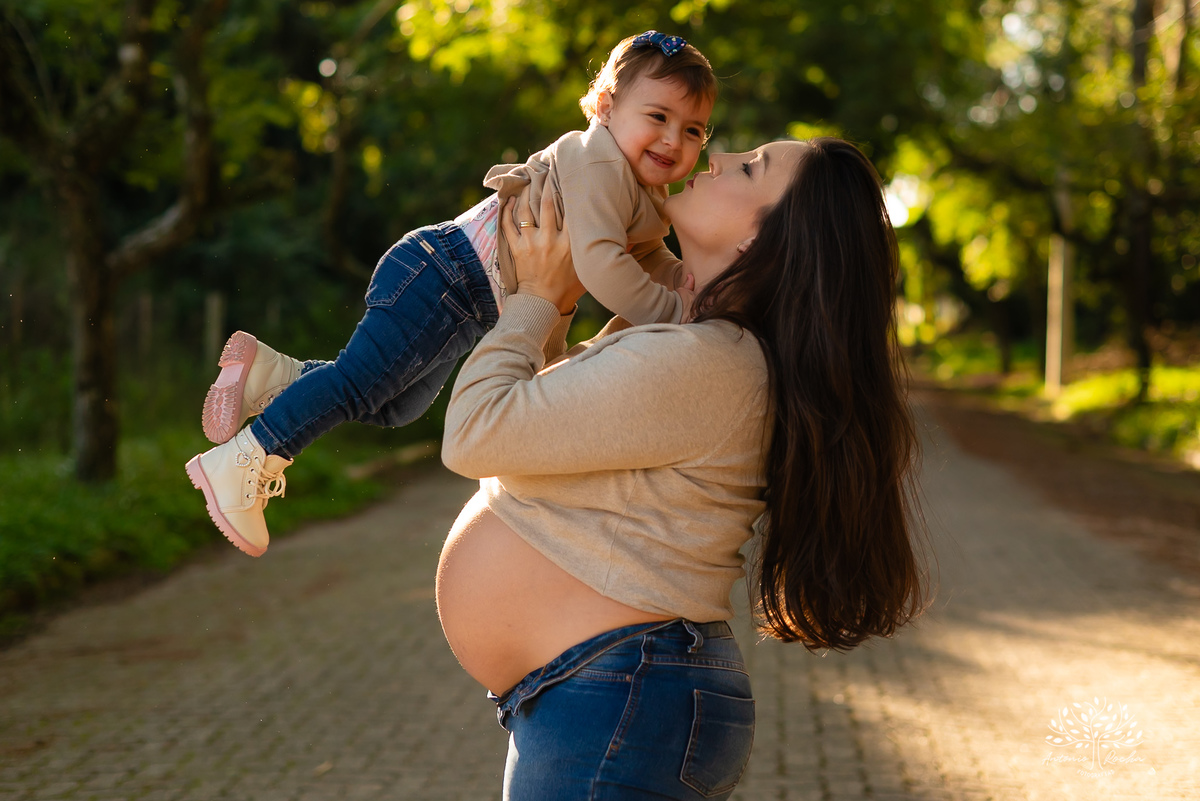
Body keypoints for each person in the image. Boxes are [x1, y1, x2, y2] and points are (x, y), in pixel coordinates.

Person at [436, 137, 928, 800]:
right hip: (609, 696)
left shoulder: (710, 362)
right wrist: (556, 294)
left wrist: (533, 301)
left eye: (750, 168)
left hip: (619, 699)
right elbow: (545, 426)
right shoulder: (696, 344)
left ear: (762, 244)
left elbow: (474, 433)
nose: (717, 156)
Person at [184, 31, 717, 557]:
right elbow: (604, 266)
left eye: (693, 130)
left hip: (463, 296)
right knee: (359, 387)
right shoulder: (598, 161)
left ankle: (273, 375)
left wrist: (693, 290)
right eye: (658, 118)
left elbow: (648, 260)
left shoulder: (645, 191)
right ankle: (245, 458)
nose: (674, 140)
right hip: (445, 273)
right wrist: (675, 312)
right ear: (605, 107)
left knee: (396, 406)